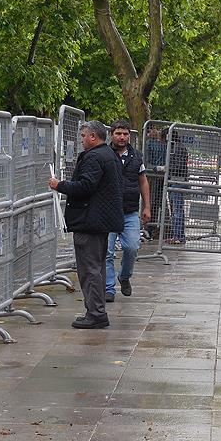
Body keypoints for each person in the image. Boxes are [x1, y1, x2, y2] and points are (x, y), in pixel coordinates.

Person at [50, 120, 124, 329]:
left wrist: (60, 185)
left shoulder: (94, 157)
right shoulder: (110, 155)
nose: (81, 140)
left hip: (89, 222)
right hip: (100, 221)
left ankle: (96, 313)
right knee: (97, 268)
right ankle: (97, 310)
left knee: (89, 270)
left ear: (93, 136)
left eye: (83, 136)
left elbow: (86, 186)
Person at [105, 120, 151, 301]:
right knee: (106, 252)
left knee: (132, 247)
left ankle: (124, 277)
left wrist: (146, 206)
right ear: (111, 135)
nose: (122, 137)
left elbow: (143, 181)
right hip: (107, 211)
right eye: (118, 133)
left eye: (125, 134)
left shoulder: (136, 157)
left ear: (129, 135)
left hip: (130, 211)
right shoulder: (104, 154)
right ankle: (109, 288)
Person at [159, 132, 188, 244]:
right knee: (176, 210)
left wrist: (165, 168)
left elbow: (178, 166)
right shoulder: (177, 147)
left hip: (177, 181)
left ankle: (179, 236)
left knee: (177, 210)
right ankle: (177, 235)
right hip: (175, 181)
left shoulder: (177, 149)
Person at [144, 127, 167, 239]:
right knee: (155, 203)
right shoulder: (162, 144)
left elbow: (147, 162)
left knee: (153, 203)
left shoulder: (151, 144)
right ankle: (151, 228)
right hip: (158, 177)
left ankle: (149, 228)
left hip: (154, 176)